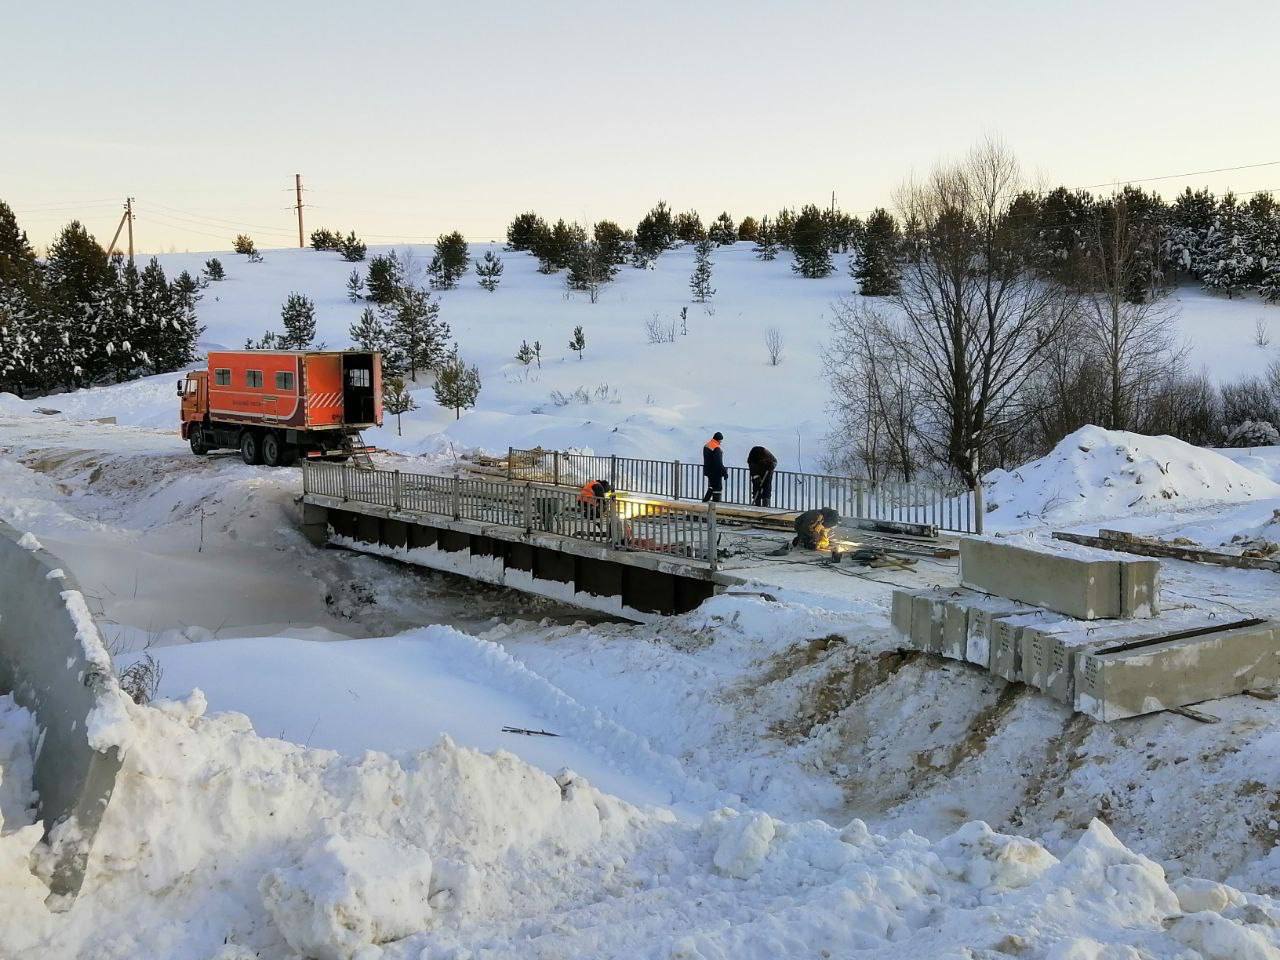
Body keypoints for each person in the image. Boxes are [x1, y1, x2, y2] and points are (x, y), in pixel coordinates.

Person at [702, 432, 727, 502]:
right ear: (719, 440)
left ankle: (704, 502)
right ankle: (715, 506)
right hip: (715, 472)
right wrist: (724, 472)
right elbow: (718, 462)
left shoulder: (707, 445)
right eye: (721, 440)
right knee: (717, 488)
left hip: (708, 470)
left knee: (712, 487)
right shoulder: (716, 448)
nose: (721, 442)